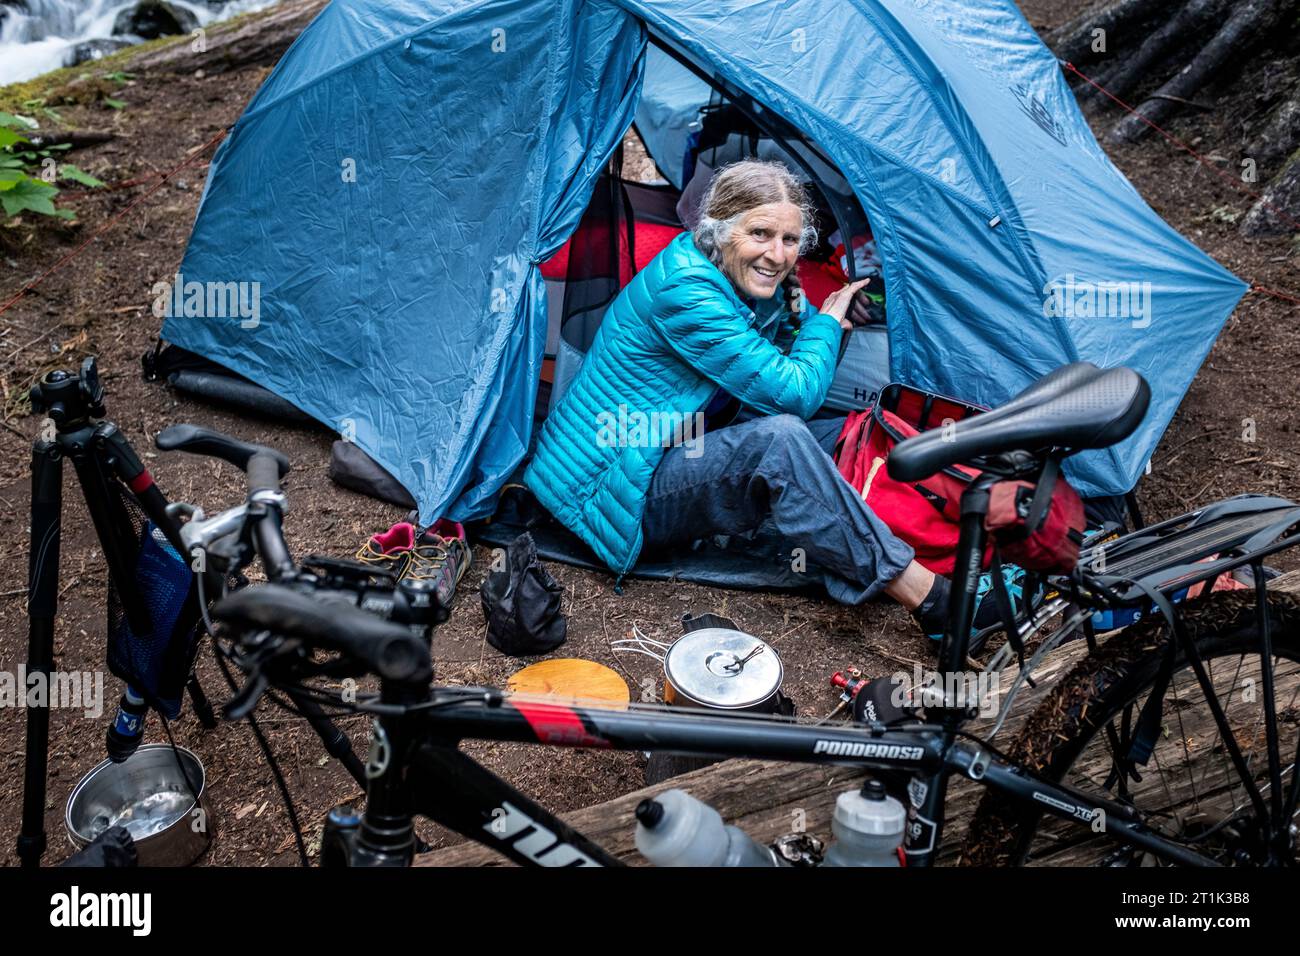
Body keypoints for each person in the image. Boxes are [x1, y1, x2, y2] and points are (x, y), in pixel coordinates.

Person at [525, 160, 1012, 643]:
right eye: (760, 234)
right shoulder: (688, 292)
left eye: (790, 240)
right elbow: (794, 393)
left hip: (668, 449)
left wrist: (793, 308)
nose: (778, 255)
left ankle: (946, 535)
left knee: (846, 430)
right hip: (611, 488)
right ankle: (935, 601)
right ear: (718, 228)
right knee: (781, 442)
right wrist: (826, 321)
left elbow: (774, 366)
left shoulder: (731, 276)